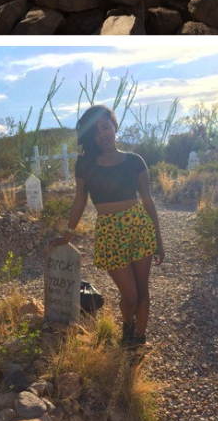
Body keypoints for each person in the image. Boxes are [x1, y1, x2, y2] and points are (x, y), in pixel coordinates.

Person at [48, 105, 164, 347]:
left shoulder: (135, 161)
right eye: (97, 131)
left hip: (139, 227)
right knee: (129, 295)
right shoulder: (85, 163)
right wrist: (67, 236)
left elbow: (148, 200)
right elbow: (80, 199)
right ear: (91, 137)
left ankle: (138, 341)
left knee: (143, 291)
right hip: (110, 233)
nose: (103, 134)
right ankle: (128, 323)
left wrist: (159, 240)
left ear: (114, 126)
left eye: (106, 127)